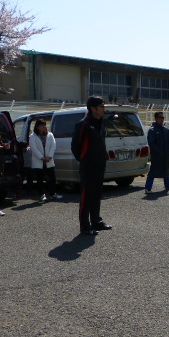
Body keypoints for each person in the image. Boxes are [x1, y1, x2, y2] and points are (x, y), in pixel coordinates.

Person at [71, 96, 112, 236]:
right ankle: (85, 225)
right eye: (101, 106)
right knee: (86, 196)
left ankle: (96, 221)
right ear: (93, 108)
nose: (104, 109)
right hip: (88, 166)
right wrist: (84, 160)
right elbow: (75, 146)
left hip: (100, 165)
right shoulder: (84, 124)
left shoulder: (101, 123)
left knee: (96, 195)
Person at [29, 119, 62, 202]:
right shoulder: (33, 136)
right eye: (42, 125)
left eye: (45, 125)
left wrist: (49, 156)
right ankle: (42, 194)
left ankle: (53, 193)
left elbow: (53, 146)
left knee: (52, 178)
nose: (44, 127)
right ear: (37, 127)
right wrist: (42, 157)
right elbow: (34, 148)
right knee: (40, 179)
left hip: (49, 160)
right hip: (39, 160)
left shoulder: (50, 135)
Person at [144, 111, 169, 194]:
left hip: (165, 154)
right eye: (160, 117)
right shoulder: (152, 130)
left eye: (163, 117)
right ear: (156, 119)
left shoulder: (166, 129)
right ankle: (148, 188)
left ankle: (168, 185)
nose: (162, 119)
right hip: (156, 155)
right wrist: (158, 151)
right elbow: (151, 143)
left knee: (166, 169)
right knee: (153, 170)